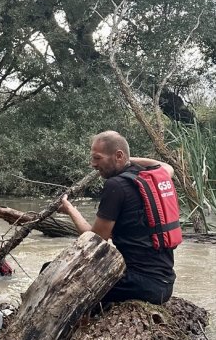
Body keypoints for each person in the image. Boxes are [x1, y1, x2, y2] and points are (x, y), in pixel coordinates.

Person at [58, 130, 179, 305]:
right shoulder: (155, 178)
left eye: (97, 158)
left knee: (57, 276)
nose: (92, 164)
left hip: (139, 284)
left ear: (118, 156)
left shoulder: (116, 185)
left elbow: (95, 240)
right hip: (164, 284)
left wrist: (70, 209)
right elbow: (167, 166)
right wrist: (128, 160)